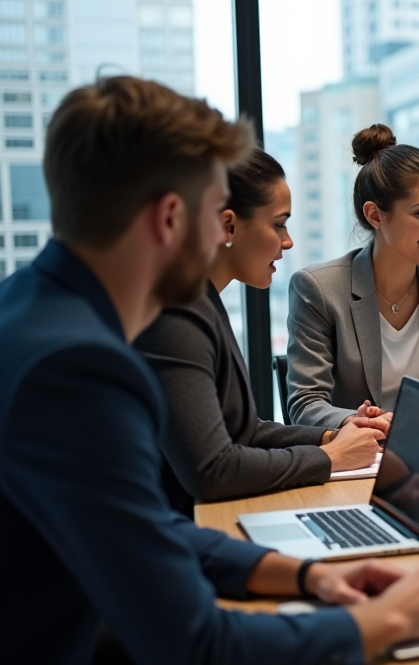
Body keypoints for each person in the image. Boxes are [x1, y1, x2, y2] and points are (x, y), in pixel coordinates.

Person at [0, 77, 419, 665]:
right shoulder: (78, 368)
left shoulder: (31, 310)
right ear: (171, 219)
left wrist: (307, 578)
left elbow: (148, 526)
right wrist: (385, 620)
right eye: (215, 210)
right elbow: (201, 654)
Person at [135, 150, 384, 515]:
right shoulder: (175, 316)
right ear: (228, 226)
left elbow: (245, 432)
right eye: (279, 224)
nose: (288, 241)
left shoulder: (202, 301)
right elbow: (211, 471)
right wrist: (328, 457)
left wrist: (335, 434)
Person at [287, 124, 419, 430]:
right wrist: (356, 420)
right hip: (361, 458)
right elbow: (305, 403)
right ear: (375, 215)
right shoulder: (318, 289)